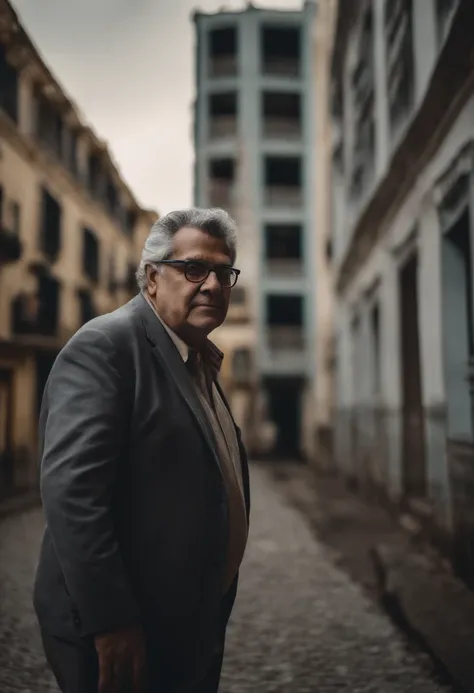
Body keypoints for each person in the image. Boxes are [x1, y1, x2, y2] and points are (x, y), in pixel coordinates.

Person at [33, 208, 250, 693]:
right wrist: (110, 622)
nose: (213, 285)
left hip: (184, 624)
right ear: (152, 278)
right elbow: (73, 494)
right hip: (124, 634)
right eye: (194, 268)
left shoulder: (196, 358)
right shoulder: (106, 347)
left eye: (223, 271)